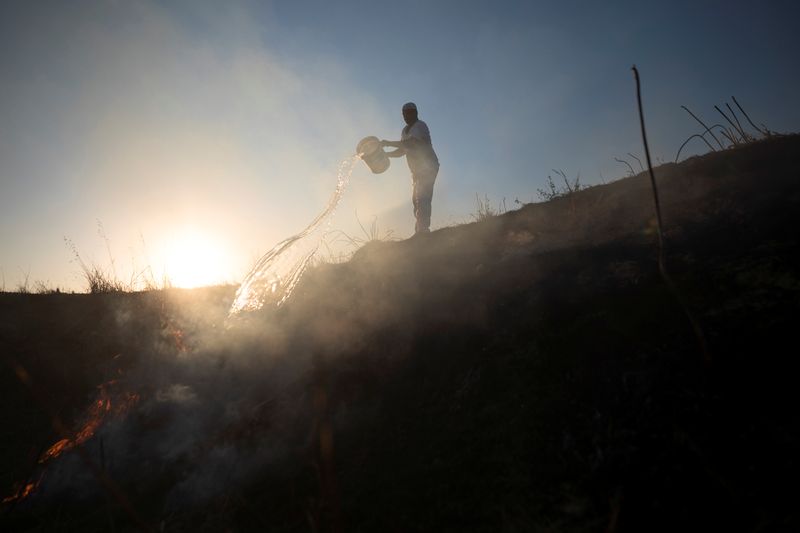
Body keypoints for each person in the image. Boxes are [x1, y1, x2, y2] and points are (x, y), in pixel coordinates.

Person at [381, 102, 440, 235]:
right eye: (403, 114)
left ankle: (423, 230)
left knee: (423, 197)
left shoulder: (420, 126)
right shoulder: (404, 131)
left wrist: (388, 143)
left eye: (407, 113)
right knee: (416, 200)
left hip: (428, 165)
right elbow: (403, 150)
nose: (405, 116)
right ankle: (419, 229)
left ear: (414, 112)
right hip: (416, 171)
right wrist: (386, 154)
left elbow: (412, 144)